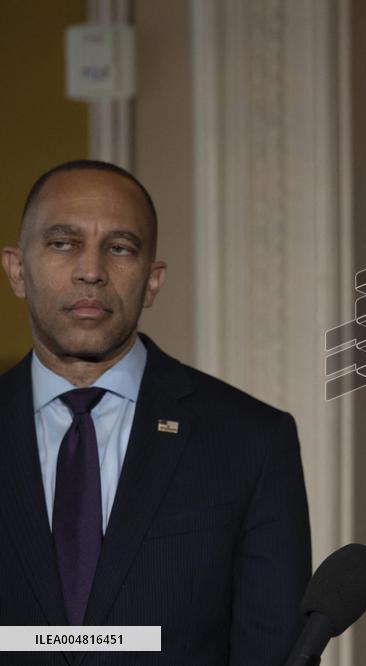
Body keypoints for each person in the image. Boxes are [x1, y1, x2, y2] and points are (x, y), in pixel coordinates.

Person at [0, 160, 311, 665]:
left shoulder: (251, 441)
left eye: (120, 248)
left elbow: (273, 652)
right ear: (17, 269)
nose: (92, 270)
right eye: (63, 243)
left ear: (152, 281)